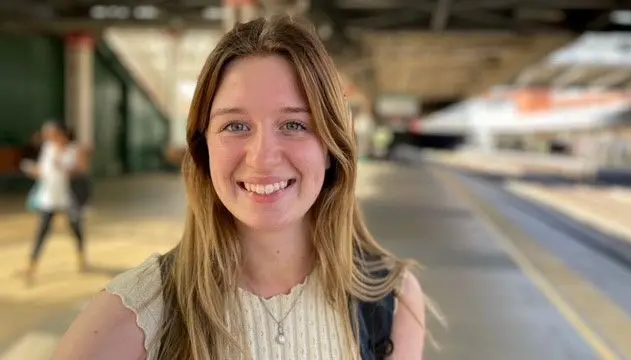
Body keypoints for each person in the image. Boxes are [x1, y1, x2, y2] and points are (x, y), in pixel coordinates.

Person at [53, 16, 436, 360]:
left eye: (294, 125)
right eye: (235, 126)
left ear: (331, 148)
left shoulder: (391, 301)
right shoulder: (140, 311)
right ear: (204, 149)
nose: (263, 158)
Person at [19, 121, 88, 282]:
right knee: (42, 231)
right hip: (49, 198)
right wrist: (31, 170)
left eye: (52, 134)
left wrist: (64, 166)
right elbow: (43, 171)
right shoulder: (48, 148)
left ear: (62, 134)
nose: (49, 137)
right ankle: (32, 264)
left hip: (68, 197)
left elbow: (81, 170)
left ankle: (81, 256)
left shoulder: (73, 150)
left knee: (76, 228)